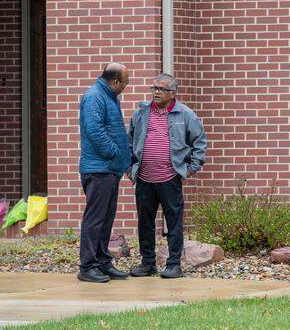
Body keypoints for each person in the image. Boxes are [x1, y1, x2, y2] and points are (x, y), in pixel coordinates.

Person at [127, 74, 206, 279]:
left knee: (174, 223)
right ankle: (147, 263)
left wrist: (190, 169)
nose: (156, 92)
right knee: (145, 223)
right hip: (144, 178)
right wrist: (129, 168)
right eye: (154, 88)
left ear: (172, 93)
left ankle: (174, 264)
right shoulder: (141, 113)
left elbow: (199, 141)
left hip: (170, 179)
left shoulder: (186, 114)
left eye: (161, 89)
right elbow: (128, 141)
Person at [77, 62, 132, 284]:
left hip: (110, 169)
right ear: (115, 81)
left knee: (106, 219)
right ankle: (88, 266)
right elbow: (94, 130)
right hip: (98, 169)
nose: (126, 87)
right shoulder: (94, 96)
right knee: (95, 219)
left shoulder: (109, 97)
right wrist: (113, 151)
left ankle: (102, 262)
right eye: (125, 83)